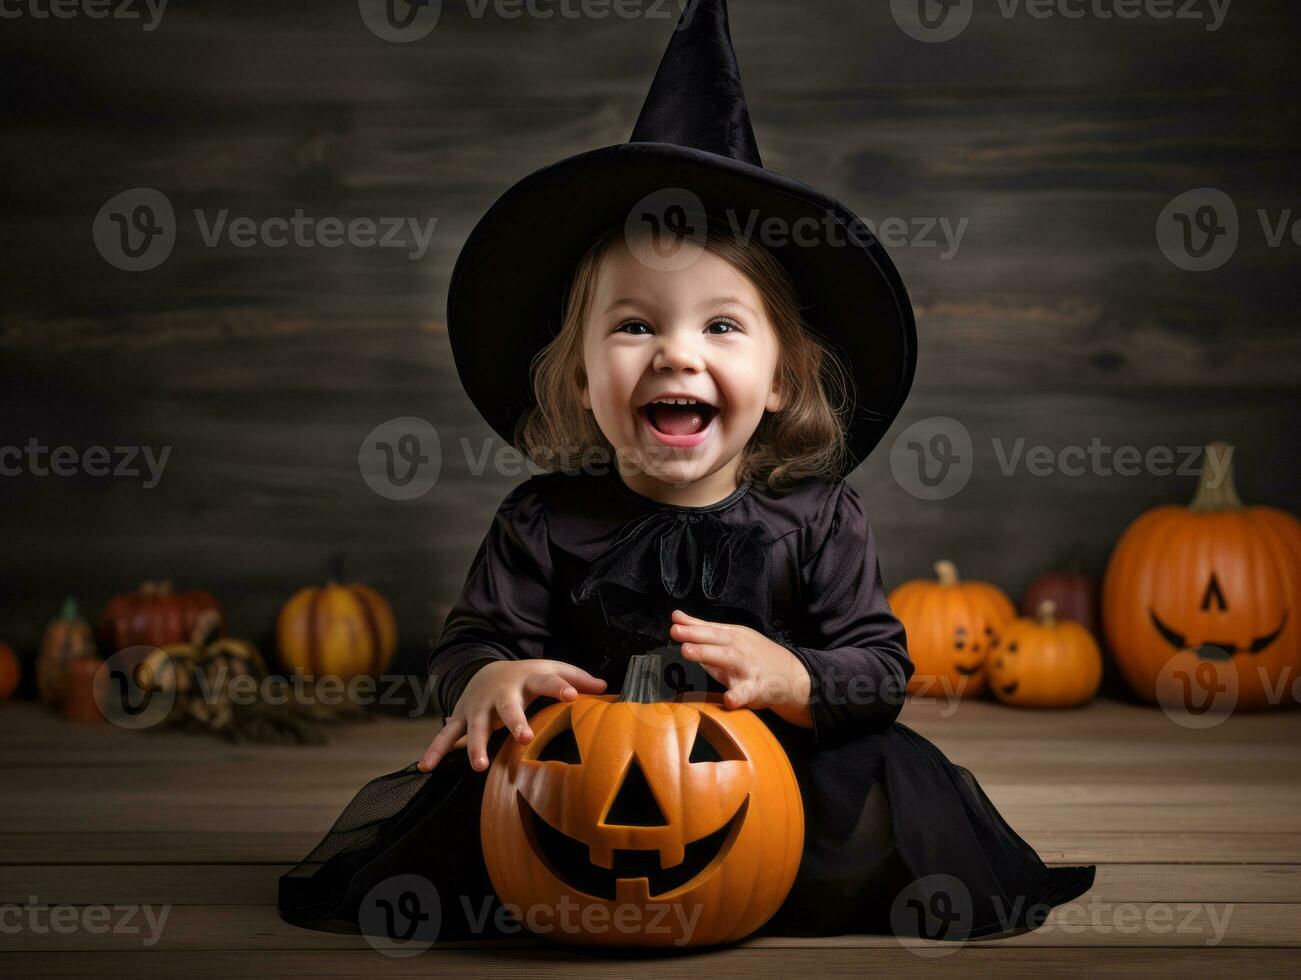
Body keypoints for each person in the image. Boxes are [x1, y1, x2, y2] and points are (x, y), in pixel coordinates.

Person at [278, 0, 1094, 946]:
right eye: (633, 325)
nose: (675, 354)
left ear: (781, 376)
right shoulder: (543, 519)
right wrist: (484, 680)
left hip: (772, 779)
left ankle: (785, 882)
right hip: (575, 781)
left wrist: (792, 675)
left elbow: (879, 667)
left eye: (719, 325)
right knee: (476, 812)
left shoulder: (816, 517)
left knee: (886, 793)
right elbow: (475, 635)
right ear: (581, 378)